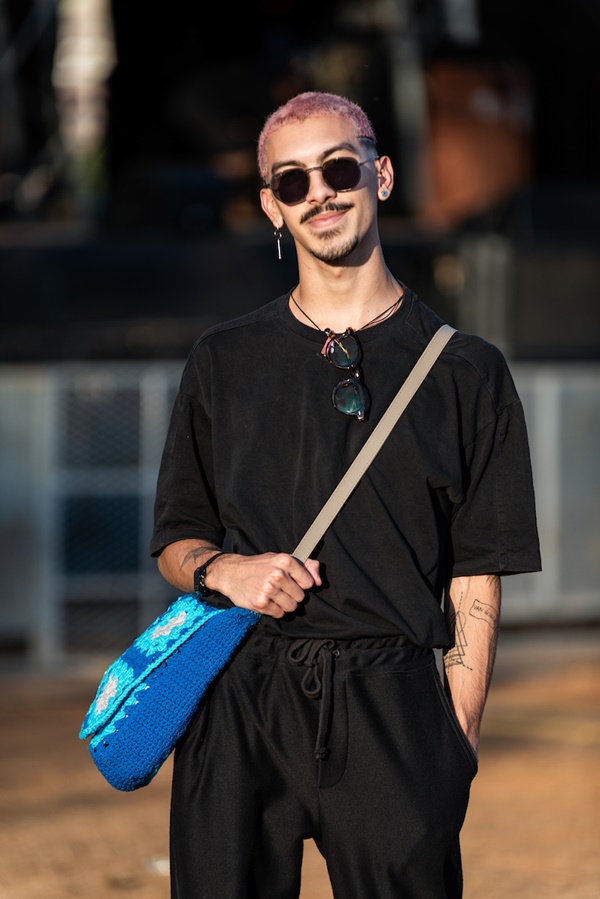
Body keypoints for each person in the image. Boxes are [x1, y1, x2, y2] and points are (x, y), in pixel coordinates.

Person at [150, 90, 541, 898]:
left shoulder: (468, 370)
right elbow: (176, 540)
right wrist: (225, 570)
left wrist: (455, 738)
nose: (319, 192)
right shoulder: (223, 359)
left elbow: (478, 570)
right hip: (241, 696)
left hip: (393, 702)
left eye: (338, 167)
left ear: (381, 174)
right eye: (292, 181)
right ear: (272, 207)